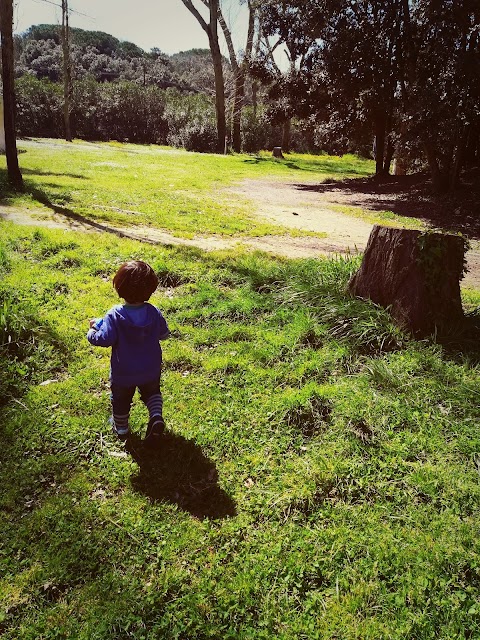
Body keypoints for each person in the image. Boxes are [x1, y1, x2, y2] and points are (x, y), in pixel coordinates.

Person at [87, 260, 170, 446]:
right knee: (152, 393)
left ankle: (122, 430)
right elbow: (164, 334)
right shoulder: (153, 312)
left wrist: (92, 331)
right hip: (150, 368)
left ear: (120, 287)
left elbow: (104, 339)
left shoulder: (115, 314)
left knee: (121, 400)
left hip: (123, 372)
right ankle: (156, 416)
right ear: (150, 289)